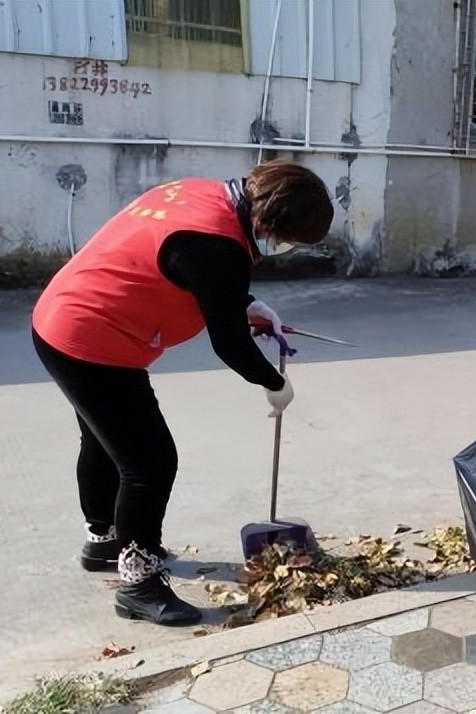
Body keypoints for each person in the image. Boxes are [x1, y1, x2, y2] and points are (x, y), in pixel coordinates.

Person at [31, 161, 334, 624]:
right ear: (271, 222)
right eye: (287, 238)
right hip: (94, 339)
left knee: (104, 440)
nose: (283, 247)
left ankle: (104, 542)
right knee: (150, 463)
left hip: (63, 317)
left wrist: (248, 305)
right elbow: (228, 340)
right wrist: (275, 384)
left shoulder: (200, 193)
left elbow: (188, 272)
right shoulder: (218, 245)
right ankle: (139, 583)